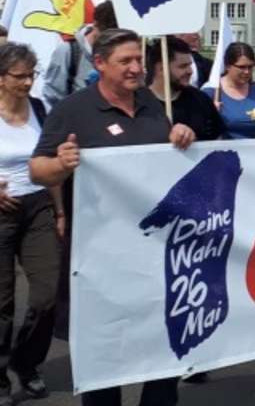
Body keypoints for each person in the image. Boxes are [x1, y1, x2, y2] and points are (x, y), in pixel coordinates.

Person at [29, 28, 196, 406]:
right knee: (104, 364)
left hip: (156, 256)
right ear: (100, 64)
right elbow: (38, 170)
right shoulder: (74, 110)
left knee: (163, 355)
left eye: (138, 59)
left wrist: (182, 134)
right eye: (126, 61)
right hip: (98, 259)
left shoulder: (154, 105)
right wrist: (61, 164)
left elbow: (168, 160)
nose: (136, 68)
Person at [0, 44, 60, 405]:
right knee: (2, 301)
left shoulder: (40, 109)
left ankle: (27, 362)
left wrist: (60, 211)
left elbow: (50, 162)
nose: (26, 82)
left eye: (30, 75)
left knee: (46, 294)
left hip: (38, 206)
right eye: (19, 76)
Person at [40, 0, 117, 109]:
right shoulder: (68, 51)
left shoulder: (122, 54)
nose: (109, 42)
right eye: (105, 35)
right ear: (95, 24)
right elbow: (52, 96)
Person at [147, 36, 224, 141]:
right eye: (183, 66)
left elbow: (217, 139)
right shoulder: (140, 103)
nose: (190, 71)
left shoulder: (200, 100)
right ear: (161, 68)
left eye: (190, 65)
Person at [203, 42, 255, 139]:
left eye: (250, 67)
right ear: (228, 66)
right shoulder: (211, 92)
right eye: (242, 67)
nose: (247, 72)